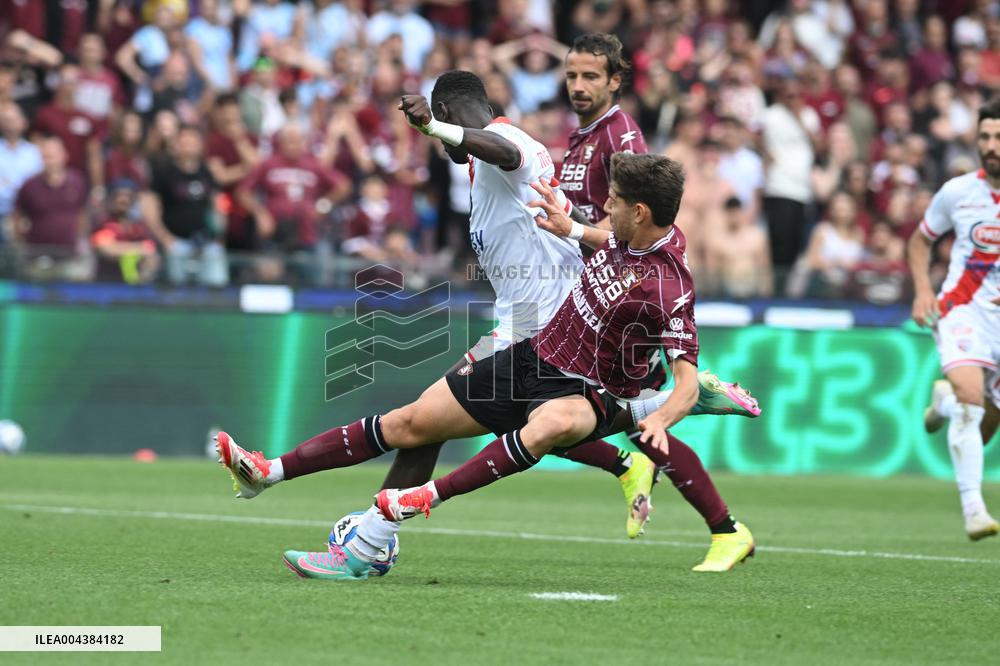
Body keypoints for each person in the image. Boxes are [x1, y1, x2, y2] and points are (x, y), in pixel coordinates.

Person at [216, 75, 755, 572]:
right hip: (524, 332)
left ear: (452, 113)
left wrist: (432, 125)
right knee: (418, 424)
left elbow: (502, 149)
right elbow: (603, 237)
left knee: (482, 425)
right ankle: (292, 487)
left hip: (545, 329)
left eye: (446, 129)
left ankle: (361, 538)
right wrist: (571, 226)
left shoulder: (506, 145)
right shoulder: (489, 174)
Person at [558, 33, 758, 543]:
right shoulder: (582, 136)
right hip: (585, 294)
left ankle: (687, 407)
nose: (578, 86)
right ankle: (720, 524)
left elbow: (640, 230)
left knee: (528, 405)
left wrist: (575, 231)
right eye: (572, 75)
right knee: (615, 420)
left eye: (590, 77)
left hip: (621, 301)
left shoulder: (620, 138)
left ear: (615, 81)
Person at [909, 97, 1000, 541]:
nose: (991, 145)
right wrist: (925, 290)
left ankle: (942, 403)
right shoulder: (959, 192)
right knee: (972, 400)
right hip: (963, 310)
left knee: (983, 425)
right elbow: (920, 241)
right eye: (985, 136)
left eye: (998, 137)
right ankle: (974, 510)